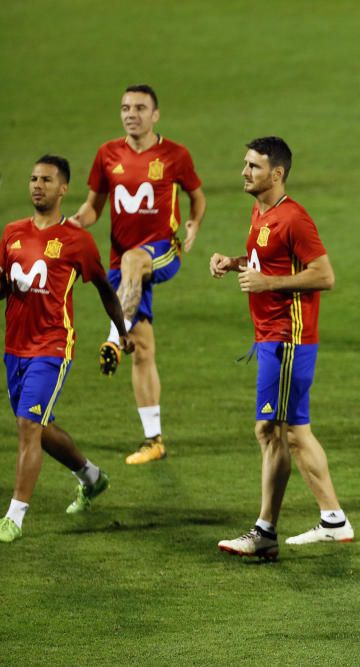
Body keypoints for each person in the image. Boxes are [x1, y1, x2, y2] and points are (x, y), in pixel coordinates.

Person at [211, 136, 353, 560]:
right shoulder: (261, 212)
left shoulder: (293, 218)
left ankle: (274, 529)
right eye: (245, 164)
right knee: (284, 430)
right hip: (272, 339)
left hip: (289, 340)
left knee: (278, 431)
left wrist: (267, 284)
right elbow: (268, 260)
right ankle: (325, 521)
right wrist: (235, 262)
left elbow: (324, 276)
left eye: (253, 166)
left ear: (277, 173)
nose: (244, 172)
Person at [71, 84, 206, 464]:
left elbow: (197, 194)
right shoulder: (107, 155)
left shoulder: (175, 155)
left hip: (163, 252)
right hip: (121, 267)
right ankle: (154, 440)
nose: (132, 113)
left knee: (134, 259)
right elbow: (93, 207)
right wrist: (76, 222)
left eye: (140, 108)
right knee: (142, 349)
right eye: (126, 107)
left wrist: (194, 223)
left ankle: (114, 337)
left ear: (155, 115)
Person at [0, 156, 132, 543]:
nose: (37, 185)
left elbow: (106, 289)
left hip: (53, 346)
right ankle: (91, 477)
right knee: (38, 427)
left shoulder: (76, 240)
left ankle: (14, 517)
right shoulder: (11, 233)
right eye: (33, 178)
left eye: (46, 180)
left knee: (27, 426)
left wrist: (121, 332)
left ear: (63, 189)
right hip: (15, 347)